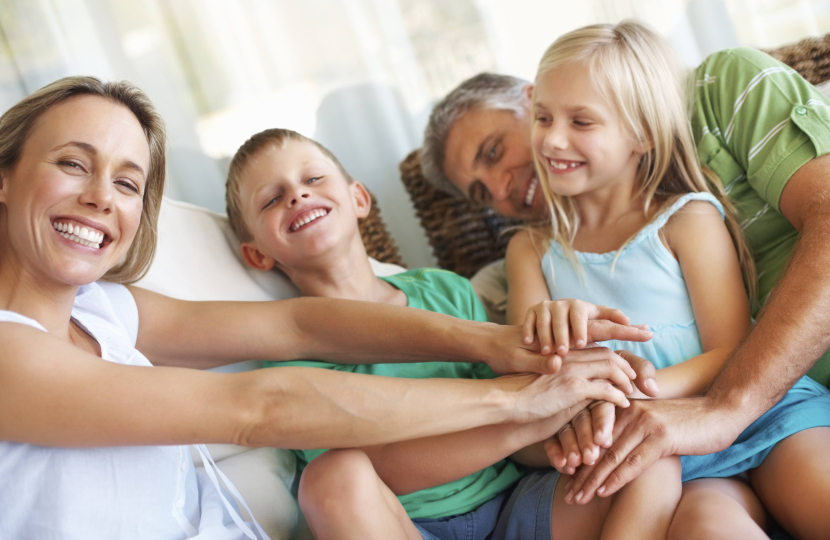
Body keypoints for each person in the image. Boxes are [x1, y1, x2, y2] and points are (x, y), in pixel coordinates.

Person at [0, 76, 647, 539]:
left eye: (126, 181)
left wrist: (496, 344)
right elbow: (261, 408)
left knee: (653, 463)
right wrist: (519, 402)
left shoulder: (103, 309)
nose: (102, 197)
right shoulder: (10, 350)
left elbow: (299, 323)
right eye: (72, 164)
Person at [422, 24, 830, 535]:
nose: (552, 138)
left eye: (579, 121)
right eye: (545, 120)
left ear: (642, 135)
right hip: (654, 453)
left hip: (760, 411)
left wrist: (630, 397)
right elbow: (531, 381)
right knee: (712, 525)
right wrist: (563, 364)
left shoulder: (688, 218)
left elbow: (732, 347)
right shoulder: (528, 251)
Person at [221, 127, 656, 540]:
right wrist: (527, 422)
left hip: (516, 502)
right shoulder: (289, 352)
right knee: (330, 477)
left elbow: (525, 434)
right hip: (408, 525)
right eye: (272, 199)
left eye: (313, 178)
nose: (297, 195)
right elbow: (384, 471)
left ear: (358, 199)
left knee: (645, 451)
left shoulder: (446, 291)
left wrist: (584, 421)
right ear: (257, 255)